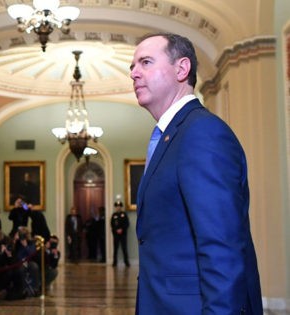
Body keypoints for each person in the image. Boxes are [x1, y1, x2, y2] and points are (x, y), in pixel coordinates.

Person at [130, 32, 262, 314]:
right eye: (132, 67)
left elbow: (222, 247)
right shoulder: (172, 135)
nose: (134, 73)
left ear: (182, 69)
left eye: (146, 62)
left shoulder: (201, 132)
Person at [110, 201, 130, 267]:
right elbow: (112, 224)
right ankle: (114, 262)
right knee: (115, 248)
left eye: (119, 206)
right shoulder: (114, 215)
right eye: (117, 206)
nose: (118, 207)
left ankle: (126, 262)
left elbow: (127, 224)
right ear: (115, 207)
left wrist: (122, 229)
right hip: (116, 235)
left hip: (123, 234)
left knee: (124, 248)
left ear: (121, 207)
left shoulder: (124, 214)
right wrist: (116, 230)